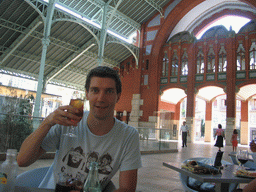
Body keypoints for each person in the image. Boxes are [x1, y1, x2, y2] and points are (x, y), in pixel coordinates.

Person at [17, 66, 142, 192]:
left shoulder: (128, 136)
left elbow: (127, 189)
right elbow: (22, 160)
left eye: (109, 91)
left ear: (118, 96)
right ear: (87, 94)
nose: (101, 98)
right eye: (95, 90)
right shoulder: (67, 122)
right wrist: (47, 123)